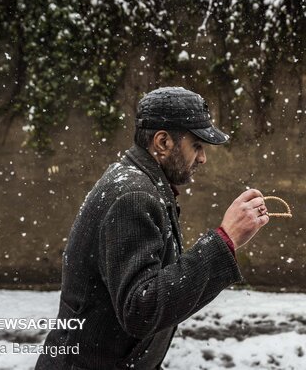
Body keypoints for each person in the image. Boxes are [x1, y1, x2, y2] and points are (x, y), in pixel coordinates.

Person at [35, 86, 270, 369]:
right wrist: (224, 240)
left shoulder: (139, 182)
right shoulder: (133, 196)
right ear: (162, 142)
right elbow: (141, 310)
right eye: (196, 145)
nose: (203, 158)